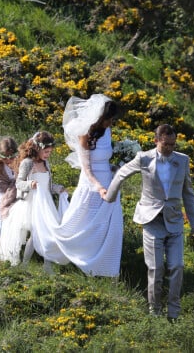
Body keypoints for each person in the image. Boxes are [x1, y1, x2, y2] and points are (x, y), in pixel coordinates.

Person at [102, 124, 194, 322]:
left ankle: (173, 312)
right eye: (166, 144)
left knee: (177, 266)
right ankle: (154, 311)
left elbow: (188, 193)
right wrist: (110, 196)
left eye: (173, 144)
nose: (170, 148)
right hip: (151, 220)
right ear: (156, 141)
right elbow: (122, 173)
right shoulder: (143, 158)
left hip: (174, 221)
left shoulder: (182, 161)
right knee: (156, 269)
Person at [57, 94, 124, 277]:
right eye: (108, 119)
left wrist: (116, 169)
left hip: (108, 182)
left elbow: (104, 159)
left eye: (112, 120)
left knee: (108, 225)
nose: (110, 123)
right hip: (91, 184)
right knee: (83, 223)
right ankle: (79, 260)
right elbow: (87, 169)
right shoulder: (84, 133)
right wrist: (99, 187)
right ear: (100, 117)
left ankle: (103, 266)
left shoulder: (107, 131)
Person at [0, 131, 69, 273]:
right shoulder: (28, 163)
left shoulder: (46, 164)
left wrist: (59, 189)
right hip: (32, 203)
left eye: (50, 152)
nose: (48, 155)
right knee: (37, 232)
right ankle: (26, 263)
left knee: (48, 233)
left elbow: (47, 185)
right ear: (37, 148)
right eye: (46, 151)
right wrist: (30, 185)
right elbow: (19, 183)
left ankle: (46, 264)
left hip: (45, 203)